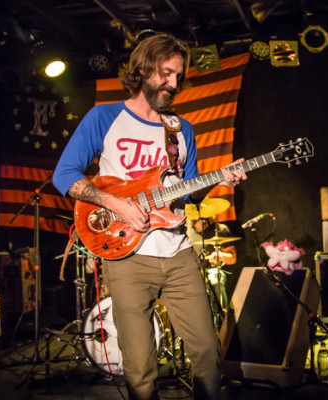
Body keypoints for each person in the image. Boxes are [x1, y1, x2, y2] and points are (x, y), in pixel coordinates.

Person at [53, 32, 246, 400]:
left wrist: (223, 178)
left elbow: (185, 193)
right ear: (142, 70)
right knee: (140, 367)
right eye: (166, 73)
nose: (173, 83)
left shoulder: (181, 130)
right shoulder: (104, 116)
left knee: (207, 351)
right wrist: (117, 203)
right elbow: (64, 175)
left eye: (178, 76)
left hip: (177, 254)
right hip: (127, 258)